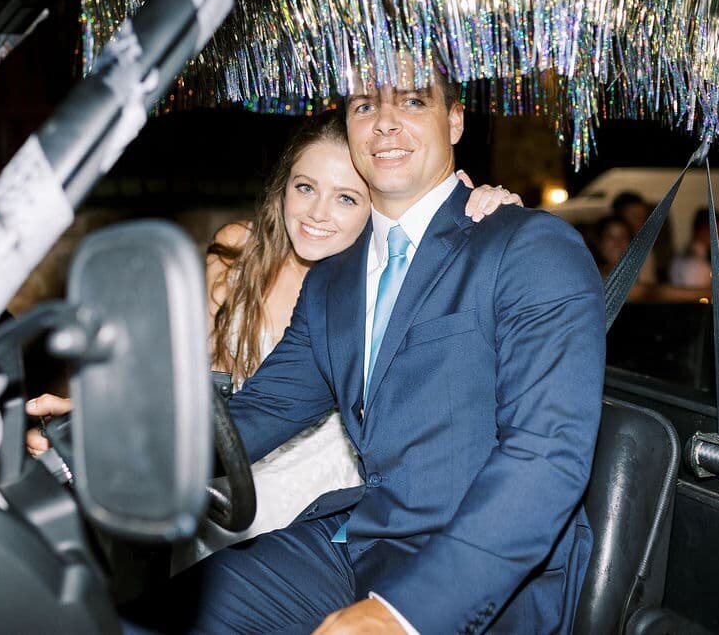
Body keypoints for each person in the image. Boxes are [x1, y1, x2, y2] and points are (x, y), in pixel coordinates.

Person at [138, 70, 604, 634]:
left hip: (481, 574)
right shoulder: (333, 282)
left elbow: (547, 455)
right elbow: (255, 415)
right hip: (352, 545)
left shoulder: (529, 245)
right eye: (365, 105)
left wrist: (403, 615)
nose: (384, 122)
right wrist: (102, 440)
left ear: (454, 120)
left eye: (411, 101)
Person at [26, 112, 521, 564]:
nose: (317, 213)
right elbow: (174, 383)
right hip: (221, 488)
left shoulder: (384, 289)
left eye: (346, 198)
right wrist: (99, 431)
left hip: (322, 514)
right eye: (305, 187)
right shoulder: (235, 255)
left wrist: (482, 212)